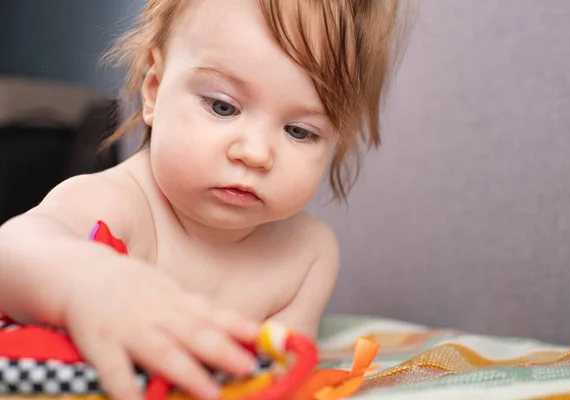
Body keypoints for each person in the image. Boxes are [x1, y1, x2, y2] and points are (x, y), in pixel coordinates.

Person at [0, 0, 411, 399]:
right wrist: (93, 284)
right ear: (154, 92)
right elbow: (13, 248)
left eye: (299, 131)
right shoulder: (118, 200)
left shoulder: (307, 255)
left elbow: (275, 379)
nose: (254, 153)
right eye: (222, 106)